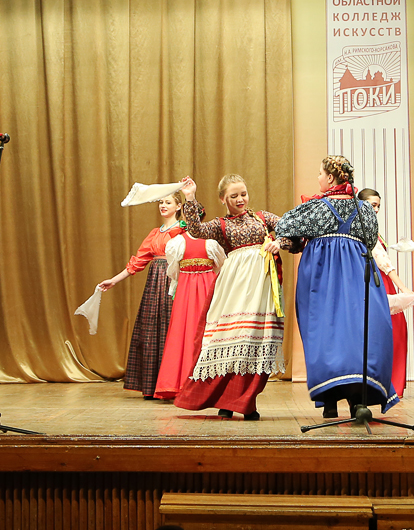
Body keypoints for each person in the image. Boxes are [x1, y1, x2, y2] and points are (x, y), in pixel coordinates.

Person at [275, 157, 398, 418]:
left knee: (324, 332)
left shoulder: (315, 207)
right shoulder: (364, 209)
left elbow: (283, 224)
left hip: (322, 276)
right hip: (357, 273)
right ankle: (357, 400)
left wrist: (305, 239)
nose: (319, 178)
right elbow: (370, 238)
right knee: (357, 333)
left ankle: (329, 401)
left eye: (320, 174)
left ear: (330, 178)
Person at [173, 174, 290, 420]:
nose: (240, 199)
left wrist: (279, 242)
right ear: (222, 199)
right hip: (234, 287)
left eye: (243, 194)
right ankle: (226, 399)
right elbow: (196, 229)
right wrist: (190, 197)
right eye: (234, 196)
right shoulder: (220, 225)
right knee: (229, 339)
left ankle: (245, 401)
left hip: (261, 288)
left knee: (255, 341)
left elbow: (291, 229)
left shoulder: (262, 218)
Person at [96, 193, 187, 399]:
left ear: (178, 206)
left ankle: (173, 385)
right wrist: (114, 280)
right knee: (151, 330)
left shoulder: (183, 229)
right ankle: (152, 385)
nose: (163, 205)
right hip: (154, 284)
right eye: (161, 202)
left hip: (174, 281)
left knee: (172, 328)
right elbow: (138, 261)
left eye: (168, 202)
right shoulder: (155, 233)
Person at [358, 187, 414, 398]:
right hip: (377, 283)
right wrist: (403, 288)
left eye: (378, 206)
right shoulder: (364, 229)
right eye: (372, 205)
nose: (376, 210)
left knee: (392, 332)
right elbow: (384, 264)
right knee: (391, 331)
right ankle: (386, 384)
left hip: (378, 282)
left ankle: (386, 383)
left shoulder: (370, 230)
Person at [153, 231, 225, 399]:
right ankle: (182, 382)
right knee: (183, 332)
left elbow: (221, 266)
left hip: (202, 289)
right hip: (188, 290)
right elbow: (220, 266)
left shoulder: (210, 243)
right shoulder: (178, 242)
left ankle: (208, 383)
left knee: (207, 331)